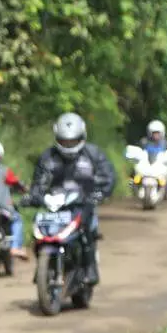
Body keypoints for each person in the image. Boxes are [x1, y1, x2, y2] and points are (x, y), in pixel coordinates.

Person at [22, 112, 116, 284]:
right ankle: (43, 266)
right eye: (64, 141)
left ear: (82, 137)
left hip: (83, 204)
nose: (68, 145)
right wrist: (34, 196)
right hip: (55, 204)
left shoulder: (93, 154)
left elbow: (108, 177)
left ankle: (89, 268)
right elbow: (39, 182)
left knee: (87, 228)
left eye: (72, 141)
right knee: (39, 228)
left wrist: (100, 193)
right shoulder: (47, 157)